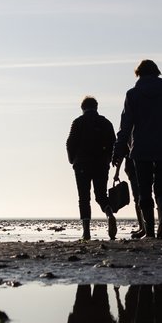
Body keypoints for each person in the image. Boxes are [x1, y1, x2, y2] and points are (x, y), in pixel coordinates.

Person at [112, 60, 162, 240]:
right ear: (157, 73)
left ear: (138, 74)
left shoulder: (132, 94)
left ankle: (149, 231)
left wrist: (118, 149)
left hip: (141, 148)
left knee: (144, 189)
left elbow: (125, 126)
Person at [66, 96, 117, 241]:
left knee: (84, 197)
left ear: (83, 108)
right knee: (101, 195)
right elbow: (113, 143)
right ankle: (109, 214)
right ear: (96, 107)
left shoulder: (78, 122)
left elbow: (70, 143)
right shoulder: (105, 122)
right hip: (101, 163)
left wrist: (72, 160)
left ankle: (86, 231)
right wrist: (109, 159)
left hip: (82, 163)